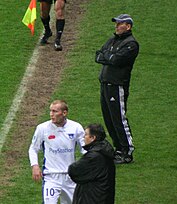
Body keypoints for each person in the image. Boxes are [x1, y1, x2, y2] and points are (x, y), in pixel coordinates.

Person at [95, 14, 139, 164]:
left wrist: (109, 56)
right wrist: (110, 56)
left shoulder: (131, 44)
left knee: (119, 118)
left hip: (117, 85)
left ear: (128, 26)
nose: (116, 26)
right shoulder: (112, 40)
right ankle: (118, 149)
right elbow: (98, 56)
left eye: (120, 24)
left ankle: (127, 151)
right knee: (109, 118)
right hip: (105, 83)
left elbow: (117, 60)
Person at [28, 100, 85, 204]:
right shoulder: (42, 128)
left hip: (70, 176)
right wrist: (35, 166)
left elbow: (85, 149)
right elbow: (33, 148)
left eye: (55, 111)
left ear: (64, 113)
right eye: (50, 111)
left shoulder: (76, 127)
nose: (51, 114)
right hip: (51, 176)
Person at [68, 123, 115, 204]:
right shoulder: (105, 151)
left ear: (93, 138)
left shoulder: (93, 156)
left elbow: (73, 170)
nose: (83, 137)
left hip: (92, 198)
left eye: (86, 135)